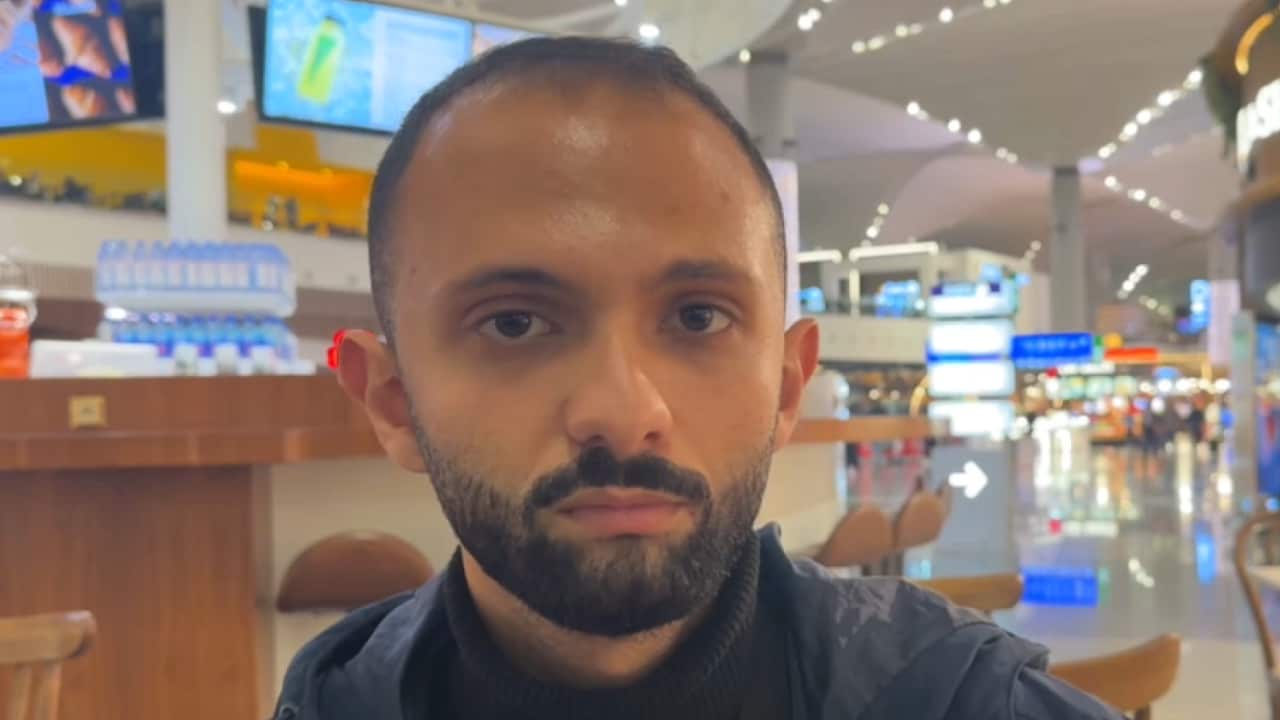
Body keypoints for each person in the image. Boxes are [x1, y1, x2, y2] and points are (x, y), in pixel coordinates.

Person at [276, 37, 1121, 720]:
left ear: (788, 386)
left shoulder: (955, 699)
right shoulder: (334, 701)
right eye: (514, 323)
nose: (623, 411)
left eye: (697, 317)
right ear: (391, 400)